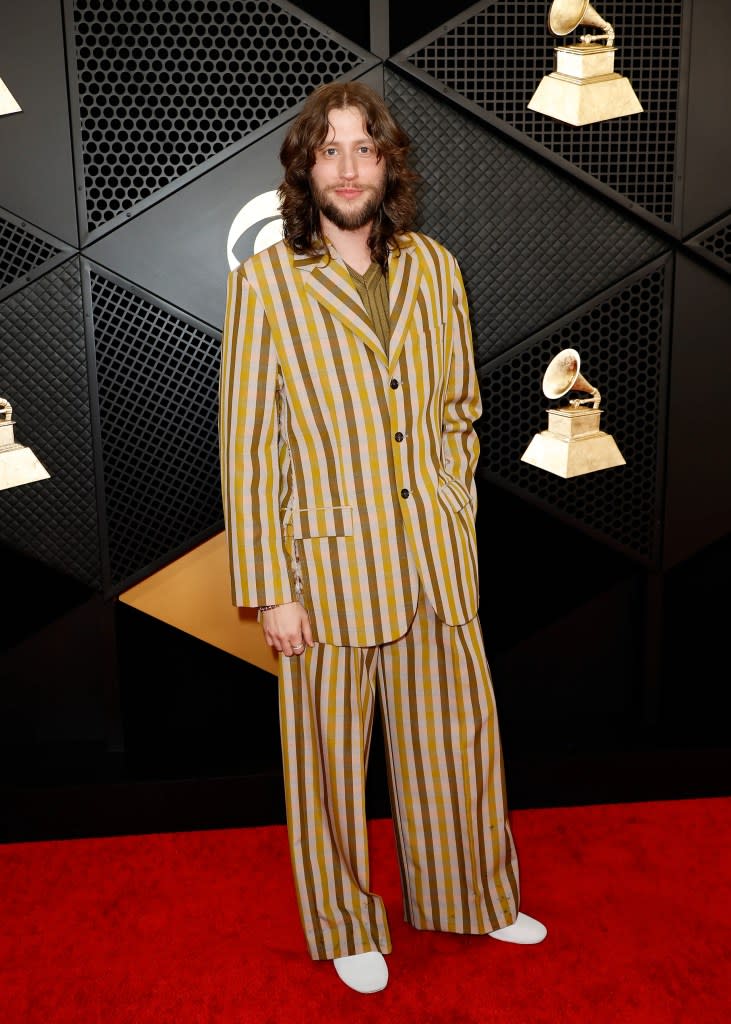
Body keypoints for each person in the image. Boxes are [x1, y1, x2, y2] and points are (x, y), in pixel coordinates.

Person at [218, 80, 547, 994]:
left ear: (387, 163)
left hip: (433, 561)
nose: (349, 167)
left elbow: (460, 410)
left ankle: (472, 897)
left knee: (456, 746)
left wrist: (446, 498)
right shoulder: (265, 286)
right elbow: (248, 448)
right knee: (323, 769)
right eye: (330, 151)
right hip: (322, 575)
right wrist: (271, 586)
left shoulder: (436, 268)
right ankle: (345, 923)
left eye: (364, 148)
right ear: (305, 171)